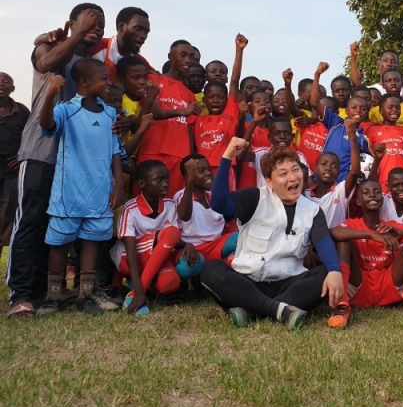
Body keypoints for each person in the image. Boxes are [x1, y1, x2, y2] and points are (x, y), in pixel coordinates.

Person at [7, 3, 105, 319]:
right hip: (42, 152)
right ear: (71, 23)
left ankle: (48, 291)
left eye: (100, 23)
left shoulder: (92, 63)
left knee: (59, 227)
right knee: (30, 222)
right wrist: (74, 35)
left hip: (75, 160)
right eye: (90, 20)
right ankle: (21, 295)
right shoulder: (48, 45)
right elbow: (48, 62)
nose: (96, 26)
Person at [200, 139, 344, 328]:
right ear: (269, 181)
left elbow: (324, 242)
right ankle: (279, 311)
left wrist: (334, 270)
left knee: (326, 272)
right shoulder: (254, 197)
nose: (292, 178)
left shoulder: (313, 210)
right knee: (212, 270)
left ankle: (251, 310)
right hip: (248, 280)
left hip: (288, 282)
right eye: (283, 174)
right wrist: (227, 156)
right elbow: (219, 203)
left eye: (295, 170)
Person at [36, 59, 124, 316]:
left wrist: (118, 185)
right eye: (104, 79)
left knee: (92, 243)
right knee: (60, 244)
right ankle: (53, 296)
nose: (109, 83)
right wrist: (51, 92)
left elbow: (116, 153)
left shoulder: (109, 113)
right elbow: (46, 124)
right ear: (85, 82)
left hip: (99, 193)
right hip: (69, 194)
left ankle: (85, 295)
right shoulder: (66, 109)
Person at [327, 180, 403, 328]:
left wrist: (402, 231)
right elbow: (333, 232)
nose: (372, 195)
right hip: (360, 283)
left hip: (388, 283)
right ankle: (342, 305)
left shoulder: (390, 225)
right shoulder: (352, 224)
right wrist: (372, 235)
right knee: (344, 241)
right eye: (366, 192)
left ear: (382, 198)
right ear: (358, 201)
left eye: (377, 191)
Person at [112, 160, 199, 315]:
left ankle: (139, 286)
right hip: (129, 259)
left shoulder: (169, 205)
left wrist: (187, 244)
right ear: (142, 184)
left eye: (166, 180)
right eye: (159, 180)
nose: (165, 184)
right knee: (171, 232)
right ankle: (138, 293)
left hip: (156, 258)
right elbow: (130, 250)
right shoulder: (130, 209)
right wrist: (140, 291)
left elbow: (170, 241)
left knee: (171, 282)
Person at [137, 40, 202, 196]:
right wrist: (182, 111)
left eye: (192, 56)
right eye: (183, 55)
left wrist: (190, 160)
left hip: (180, 157)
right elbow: (154, 112)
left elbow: (190, 129)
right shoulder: (154, 79)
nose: (188, 60)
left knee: (172, 206)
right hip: (153, 152)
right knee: (146, 206)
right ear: (170, 57)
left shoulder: (189, 94)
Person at [312, 62, 371, 183]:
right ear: (347, 110)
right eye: (354, 107)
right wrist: (317, 75)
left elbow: (370, 160)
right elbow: (314, 103)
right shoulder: (336, 123)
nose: (358, 110)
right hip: (321, 181)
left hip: (342, 186)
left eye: (363, 108)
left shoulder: (363, 138)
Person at [175, 154, 238, 266]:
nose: (208, 173)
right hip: (192, 248)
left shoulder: (214, 196)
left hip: (217, 245)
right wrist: (190, 181)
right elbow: (184, 216)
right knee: (186, 267)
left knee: (242, 238)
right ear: (187, 176)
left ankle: (223, 263)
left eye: (209, 170)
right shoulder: (181, 196)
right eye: (201, 170)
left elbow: (230, 216)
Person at [0, 73, 30, 264]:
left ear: (13, 88)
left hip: (10, 175)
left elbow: (32, 136)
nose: (2, 83)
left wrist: (22, 155)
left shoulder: (22, 112)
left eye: (6, 81)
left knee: (4, 224)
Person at [89, 6, 152, 83]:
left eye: (146, 32)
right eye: (138, 29)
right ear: (121, 27)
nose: (143, 36)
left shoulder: (140, 62)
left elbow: (163, 81)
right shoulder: (96, 46)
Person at [365, 94, 403, 193]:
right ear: (381, 110)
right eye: (390, 107)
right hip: (382, 180)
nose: (395, 110)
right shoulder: (372, 130)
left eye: (398, 107)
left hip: (402, 182)